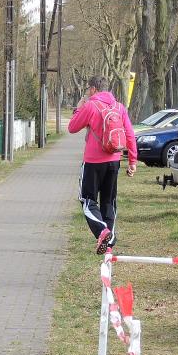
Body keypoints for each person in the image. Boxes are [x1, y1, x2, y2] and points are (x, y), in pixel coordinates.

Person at [68, 75, 137, 254]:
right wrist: (132, 161)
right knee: (109, 202)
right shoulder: (119, 107)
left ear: (93, 89)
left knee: (87, 200)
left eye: (88, 89)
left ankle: (102, 231)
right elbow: (130, 134)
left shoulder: (90, 106)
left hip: (93, 162)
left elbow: (72, 127)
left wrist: (79, 108)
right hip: (114, 161)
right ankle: (109, 242)